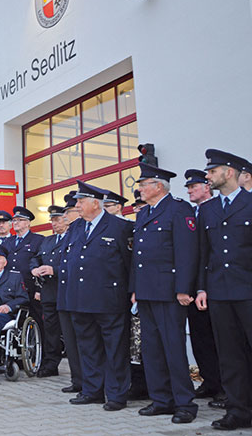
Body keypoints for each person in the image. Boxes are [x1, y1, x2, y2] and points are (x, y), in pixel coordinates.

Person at [130, 163, 199, 424]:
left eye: (143, 185)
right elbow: (138, 256)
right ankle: (161, 399)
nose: (140, 190)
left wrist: (184, 288)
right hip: (147, 292)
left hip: (170, 293)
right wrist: (135, 288)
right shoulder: (144, 213)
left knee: (173, 348)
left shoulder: (179, 209)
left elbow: (186, 252)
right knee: (152, 349)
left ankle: (185, 404)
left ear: (158, 186)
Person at [195, 149, 252, 430]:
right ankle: (238, 411)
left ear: (229, 172)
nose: (208, 177)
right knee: (229, 355)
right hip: (219, 292)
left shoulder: (251, 203)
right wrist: (202, 288)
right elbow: (204, 253)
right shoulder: (207, 209)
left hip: (249, 291)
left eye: (212, 171)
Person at [67, 181, 133, 411]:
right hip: (81, 299)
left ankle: (116, 394)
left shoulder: (119, 227)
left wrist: (130, 292)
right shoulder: (76, 228)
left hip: (109, 300)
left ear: (96, 203)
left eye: (81, 201)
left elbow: (129, 264)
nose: (77, 206)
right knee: (88, 347)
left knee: (115, 349)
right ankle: (92, 390)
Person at [183, 168, 225, 407]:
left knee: (219, 339)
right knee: (200, 338)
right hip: (193, 287)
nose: (190, 190)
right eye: (188, 187)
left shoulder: (216, 209)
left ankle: (224, 386)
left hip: (212, 285)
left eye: (194, 186)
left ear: (207, 187)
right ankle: (209, 381)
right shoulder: (190, 212)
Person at [29, 204, 68, 377]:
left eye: (57, 219)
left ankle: (78, 370)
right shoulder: (48, 240)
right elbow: (35, 258)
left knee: (69, 332)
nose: (54, 223)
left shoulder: (73, 238)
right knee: (50, 331)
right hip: (49, 292)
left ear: (67, 220)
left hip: (66, 291)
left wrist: (56, 270)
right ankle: (51, 364)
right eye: (52, 220)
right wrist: (34, 269)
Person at [57, 191, 84, 395]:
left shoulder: (83, 230)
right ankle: (78, 380)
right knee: (72, 343)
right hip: (65, 296)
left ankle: (87, 382)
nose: (65, 215)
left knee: (84, 342)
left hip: (79, 296)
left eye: (69, 211)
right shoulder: (71, 231)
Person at [5, 206, 44, 338]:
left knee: (37, 319)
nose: (15, 223)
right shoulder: (7, 242)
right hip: (11, 289)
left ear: (28, 223)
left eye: (19, 220)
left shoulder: (38, 240)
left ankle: (39, 353)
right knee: (13, 321)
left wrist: (39, 289)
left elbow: (41, 263)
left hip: (31, 288)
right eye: (14, 220)